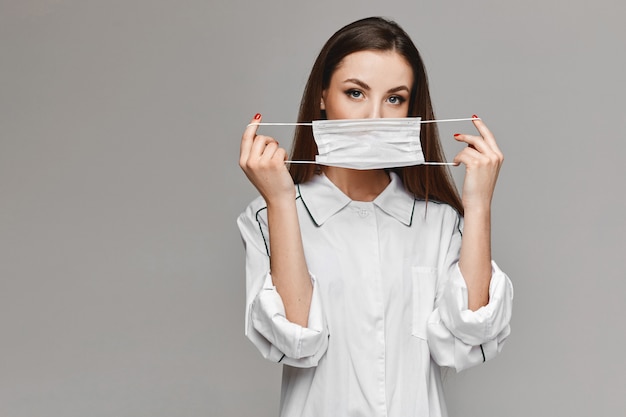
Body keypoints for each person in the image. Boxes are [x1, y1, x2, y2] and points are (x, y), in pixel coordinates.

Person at [237, 16, 513, 417]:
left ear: (411, 110)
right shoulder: (265, 217)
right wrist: (281, 203)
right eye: (355, 93)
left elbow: (468, 339)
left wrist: (479, 207)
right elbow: (295, 341)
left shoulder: (438, 221)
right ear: (322, 95)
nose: (374, 117)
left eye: (394, 99)